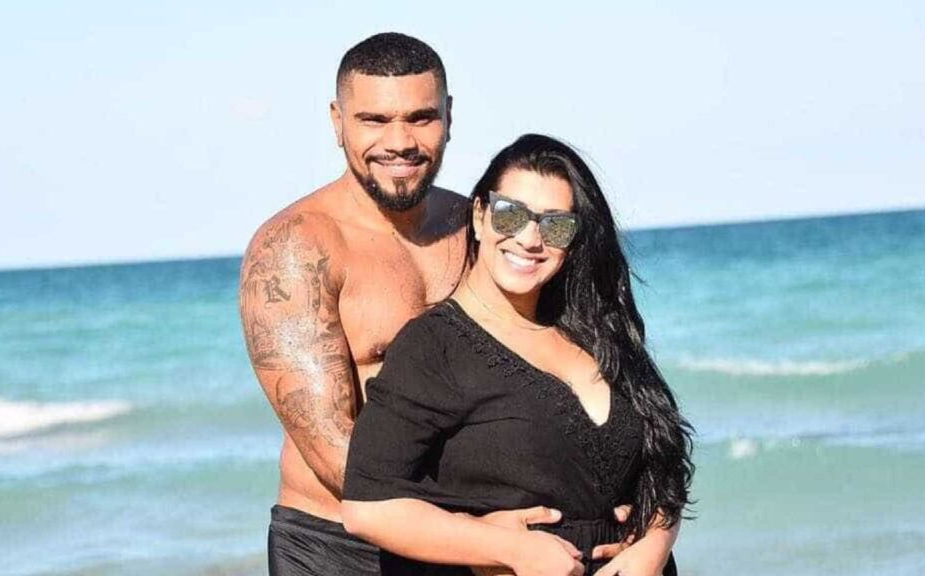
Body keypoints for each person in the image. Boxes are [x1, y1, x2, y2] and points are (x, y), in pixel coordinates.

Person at [240, 33, 653, 575]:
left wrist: (630, 515)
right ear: (337, 122)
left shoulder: (485, 228)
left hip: (479, 537)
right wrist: (475, 534)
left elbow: (570, 371)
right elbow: (336, 452)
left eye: (421, 118)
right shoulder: (297, 249)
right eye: (374, 120)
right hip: (341, 545)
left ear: (449, 117)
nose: (400, 141)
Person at [341, 134, 695, 576]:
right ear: (479, 216)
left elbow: (664, 459)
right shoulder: (433, 346)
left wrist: (654, 545)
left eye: (555, 226)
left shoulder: (596, 331)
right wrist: (510, 549)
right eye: (511, 214)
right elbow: (367, 505)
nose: (530, 239)